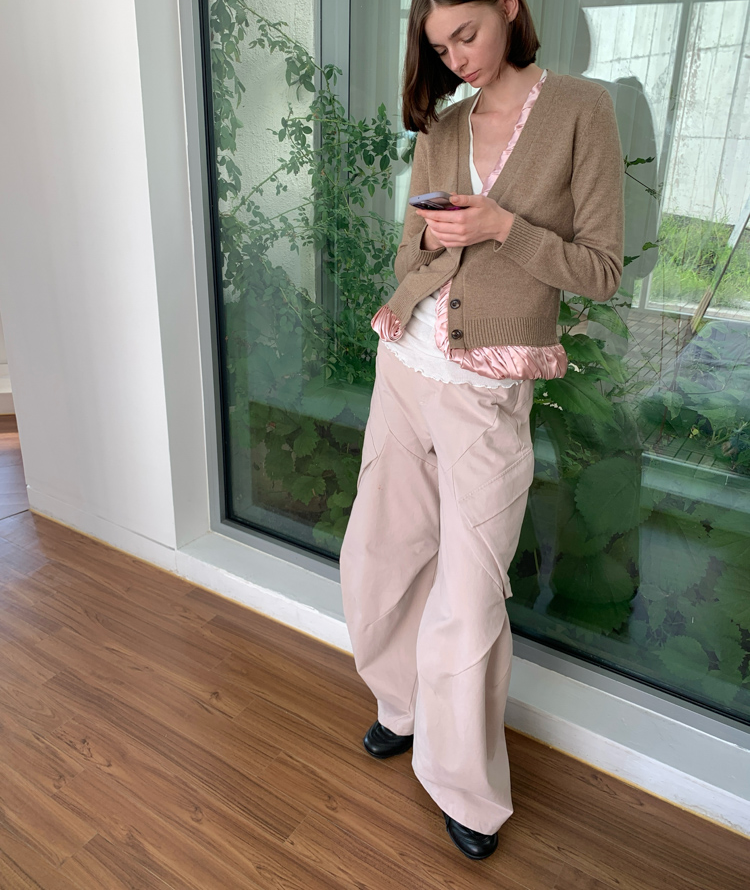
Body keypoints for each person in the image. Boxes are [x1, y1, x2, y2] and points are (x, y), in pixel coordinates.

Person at [340, 0, 624, 861]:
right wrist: (426, 258)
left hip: (487, 389)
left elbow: (602, 270)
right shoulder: (445, 125)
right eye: (439, 46)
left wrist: (503, 227)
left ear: (509, 6)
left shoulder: (582, 110)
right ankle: (401, 706)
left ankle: (465, 787)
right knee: (379, 557)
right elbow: (410, 251)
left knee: (468, 595)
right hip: (406, 364)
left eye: (466, 34)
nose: (456, 57)